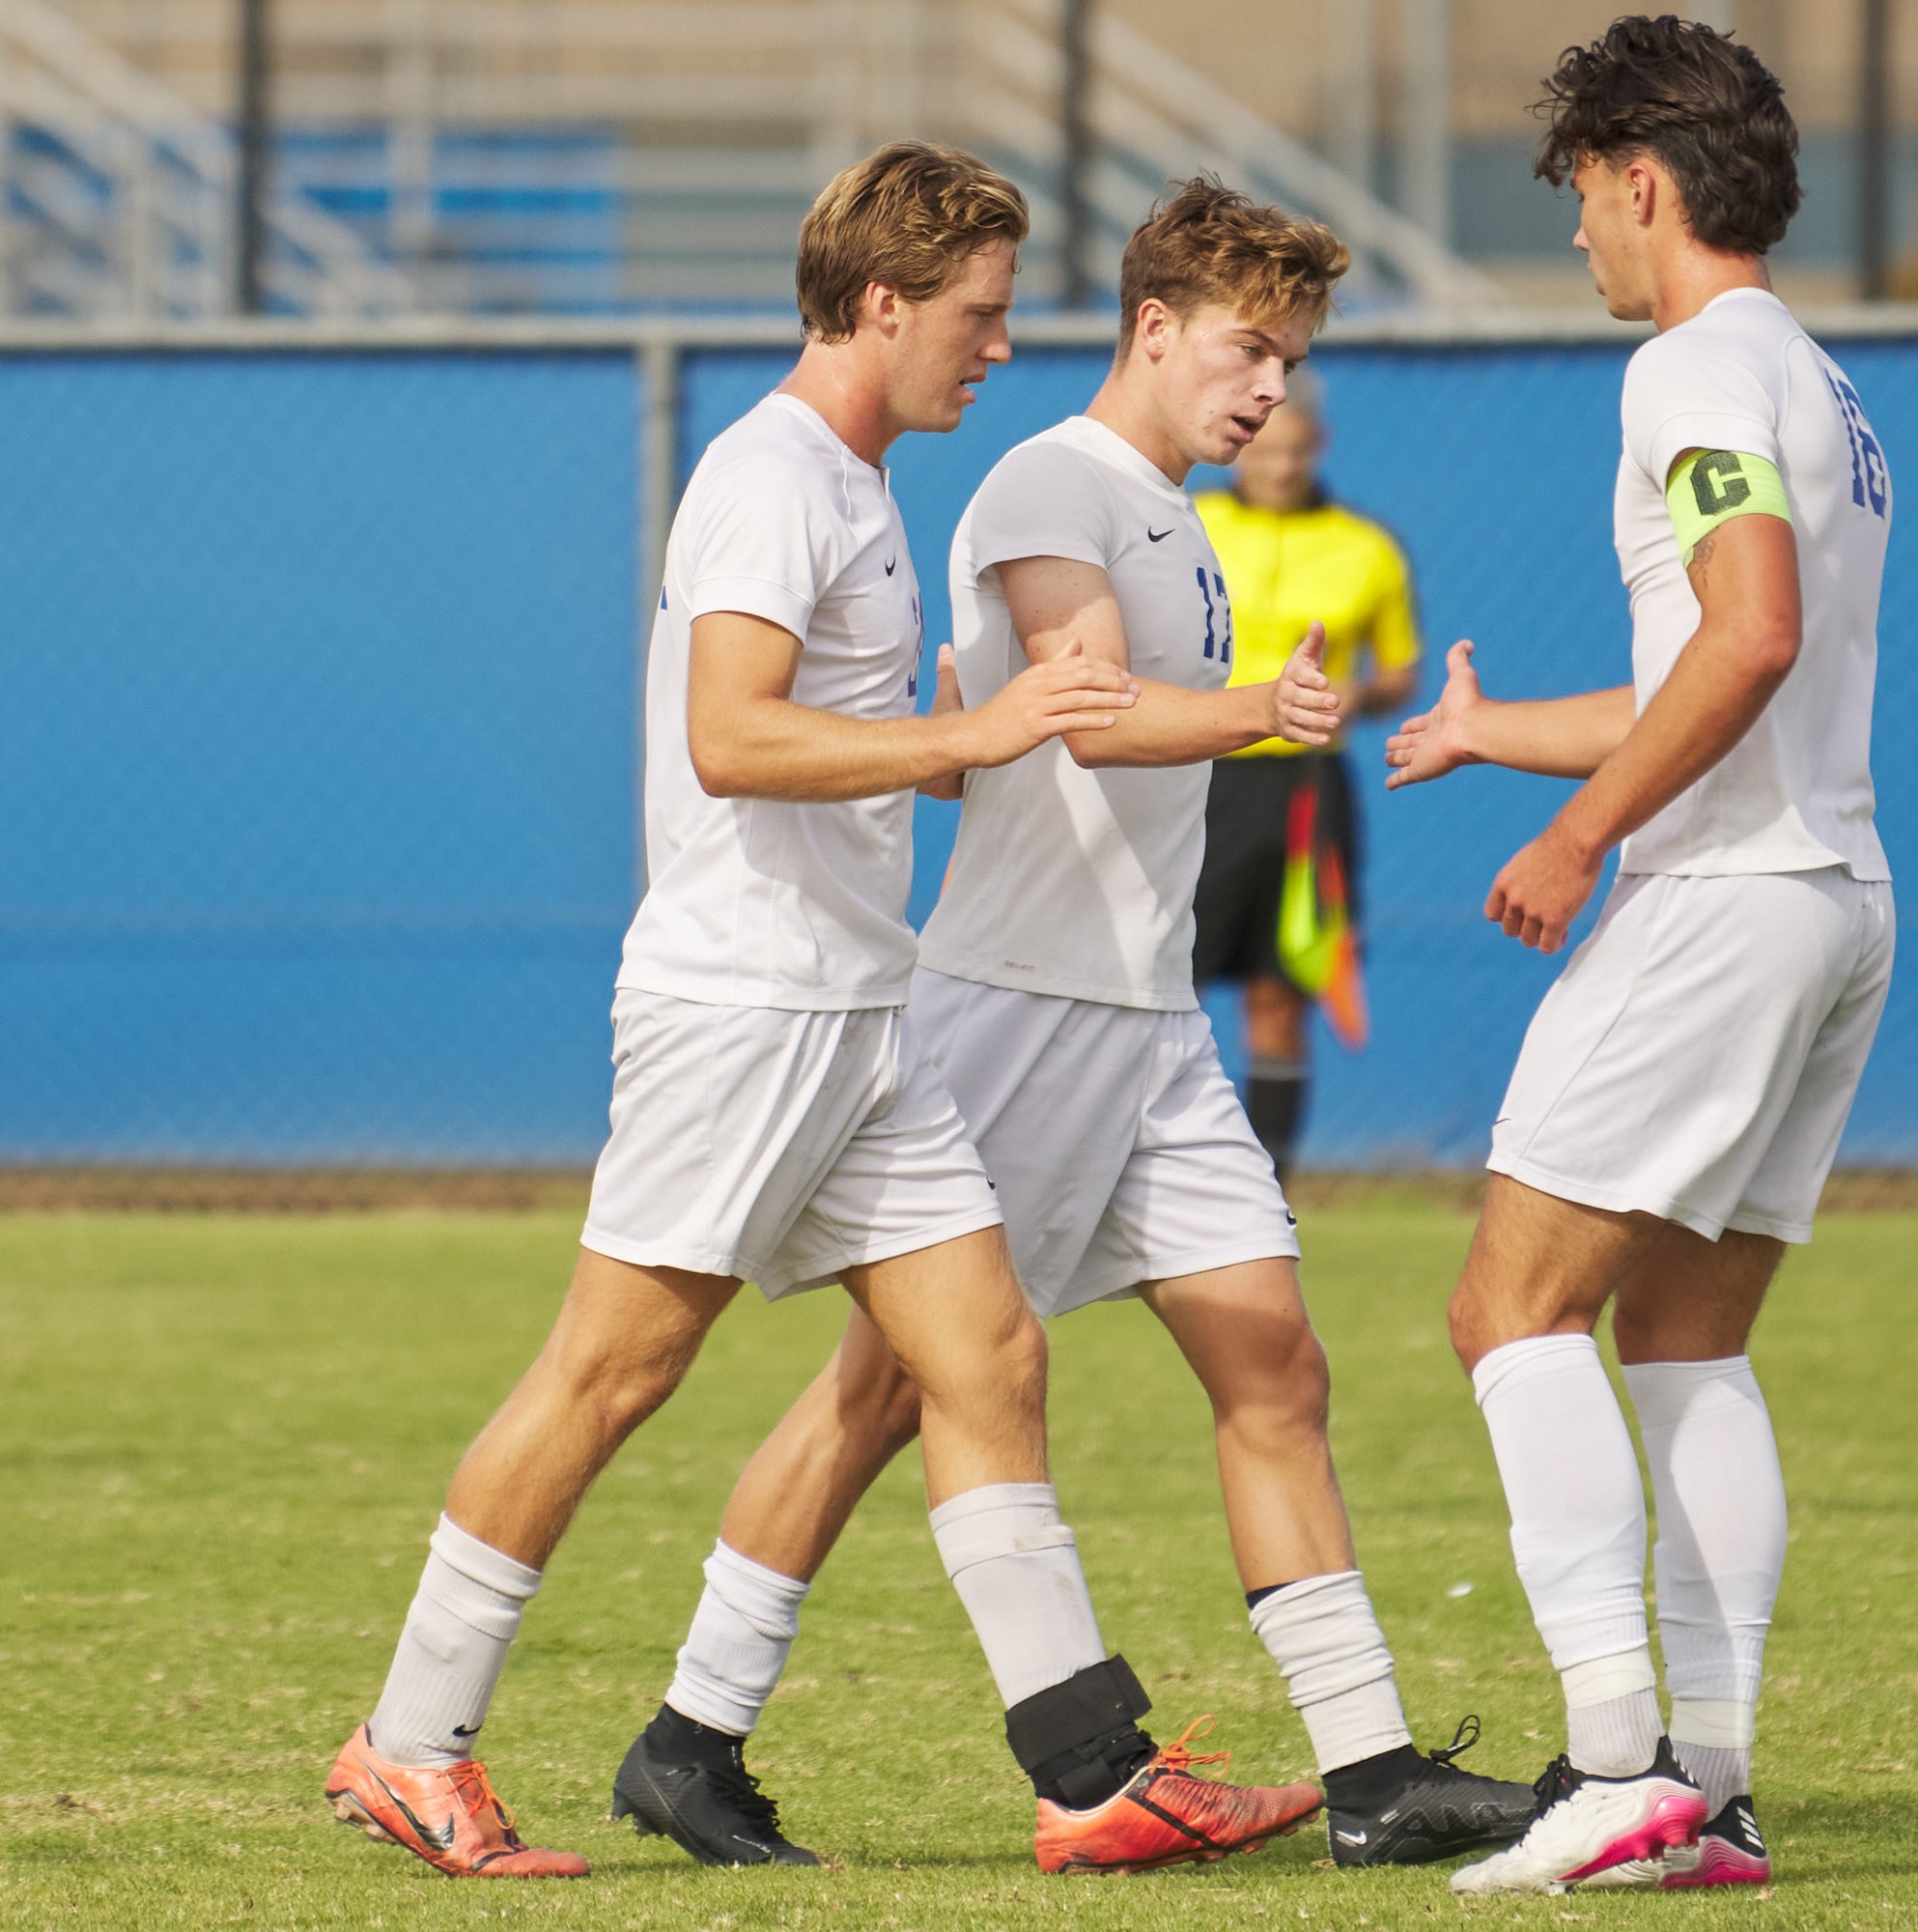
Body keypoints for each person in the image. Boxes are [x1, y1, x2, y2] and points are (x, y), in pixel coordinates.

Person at [324, 142, 1317, 1881]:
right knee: (609, 1372)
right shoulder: (775, 474)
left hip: (858, 1016)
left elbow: (844, 740)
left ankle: (1090, 1774)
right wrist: (966, 741)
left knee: (990, 1356)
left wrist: (960, 744)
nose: (998, 346)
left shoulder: (854, 484)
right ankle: (409, 1746)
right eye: (977, 315)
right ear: (881, 304)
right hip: (745, 1009)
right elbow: (732, 736)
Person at [616, 178, 1538, 1876]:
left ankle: (1373, 1772)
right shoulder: (1053, 480)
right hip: (1023, 1012)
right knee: (888, 1396)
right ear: (1156, 328)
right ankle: (691, 1734)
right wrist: (1266, 707)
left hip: (1146, 1023)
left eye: (1294, 358)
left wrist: (1264, 707)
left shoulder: (1174, 511)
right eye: (1250, 347)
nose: (1270, 387)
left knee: (1277, 1362)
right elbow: (1091, 716)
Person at [1386, 19, 1893, 1894]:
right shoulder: (1814, 379)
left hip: (1720, 895)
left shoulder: (1683, 370)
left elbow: (1738, 636)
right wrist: (1498, 729)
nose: (1579, 239)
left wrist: (1576, 829)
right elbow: (1723, 657)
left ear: (1641, 179)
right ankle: (1710, 1783)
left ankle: (1609, 1770)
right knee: (1682, 1343)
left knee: (1504, 1312)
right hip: (1837, 893)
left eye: (1582, 200)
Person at [1192, 374, 1422, 1179]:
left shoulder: (1368, 548)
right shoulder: (1189, 524)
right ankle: (1138, 1174)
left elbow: (1401, 670)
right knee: (1162, 985)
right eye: (1266, 450)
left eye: (1295, 450)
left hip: (1303, 792)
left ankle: (1265, 1191)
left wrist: (1363, 692)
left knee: (1280, 994)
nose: (1280, 466)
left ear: (1316, 448)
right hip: (1192, 776)